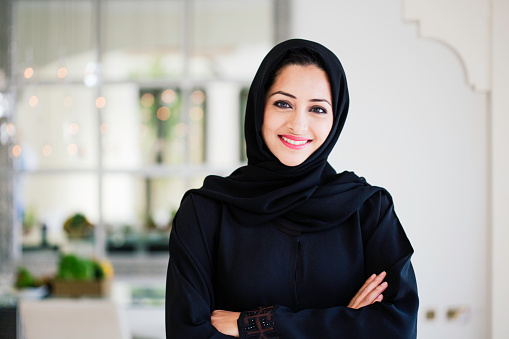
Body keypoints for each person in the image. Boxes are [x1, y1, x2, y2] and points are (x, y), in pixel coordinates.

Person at [166, 39, 418, 338]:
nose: (298, 124)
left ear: (336, 118)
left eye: (318, 109)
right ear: (259, 106)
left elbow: (396, 329)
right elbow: (189, 334)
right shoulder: (204, 212)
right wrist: (346, 324)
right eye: (283, 103)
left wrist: (255, 324)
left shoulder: (369, 210)